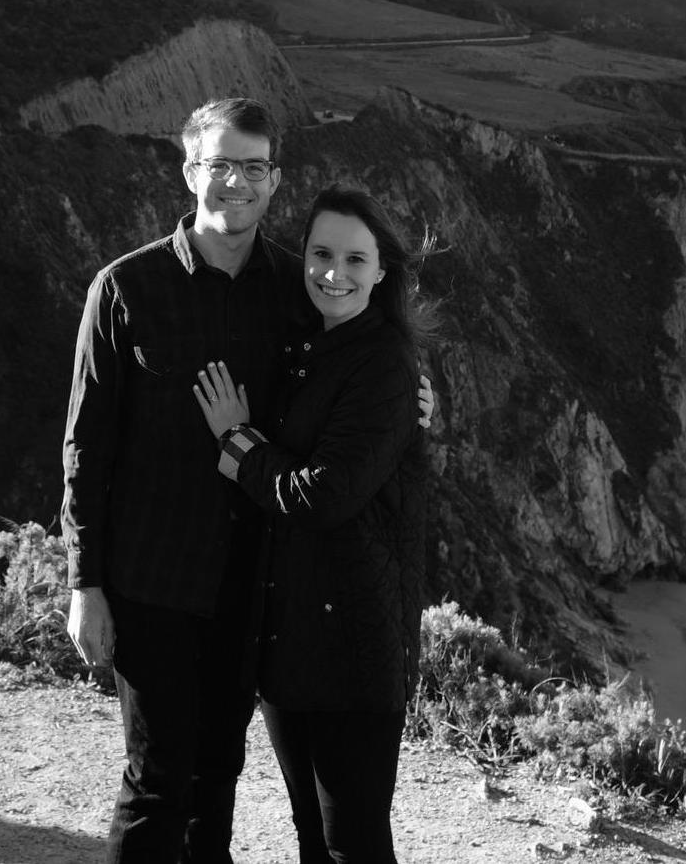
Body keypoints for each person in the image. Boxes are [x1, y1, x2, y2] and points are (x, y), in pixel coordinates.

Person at [61, 100, 433, 864]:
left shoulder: (295, 287)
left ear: (274, 179)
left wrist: (424, 401)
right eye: (219, 164)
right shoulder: (126, 288)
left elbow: (364, 353)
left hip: (253, 592)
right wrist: (83, 584)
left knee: (219, 781)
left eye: (252, 167)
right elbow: (84, 446)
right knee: (157, 782)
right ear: (190, 169)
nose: (235, 182)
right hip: (151, 581)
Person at [193, 185, 429, 864]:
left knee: (352, 841)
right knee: (314, 837)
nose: (334, 272)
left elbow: (325, 494)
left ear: (382, 269)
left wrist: (236, 445)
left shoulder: (383, 363)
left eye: (355, 259)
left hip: (354, 650)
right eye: (321, 253)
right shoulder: (305, 345)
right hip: (291, 641)